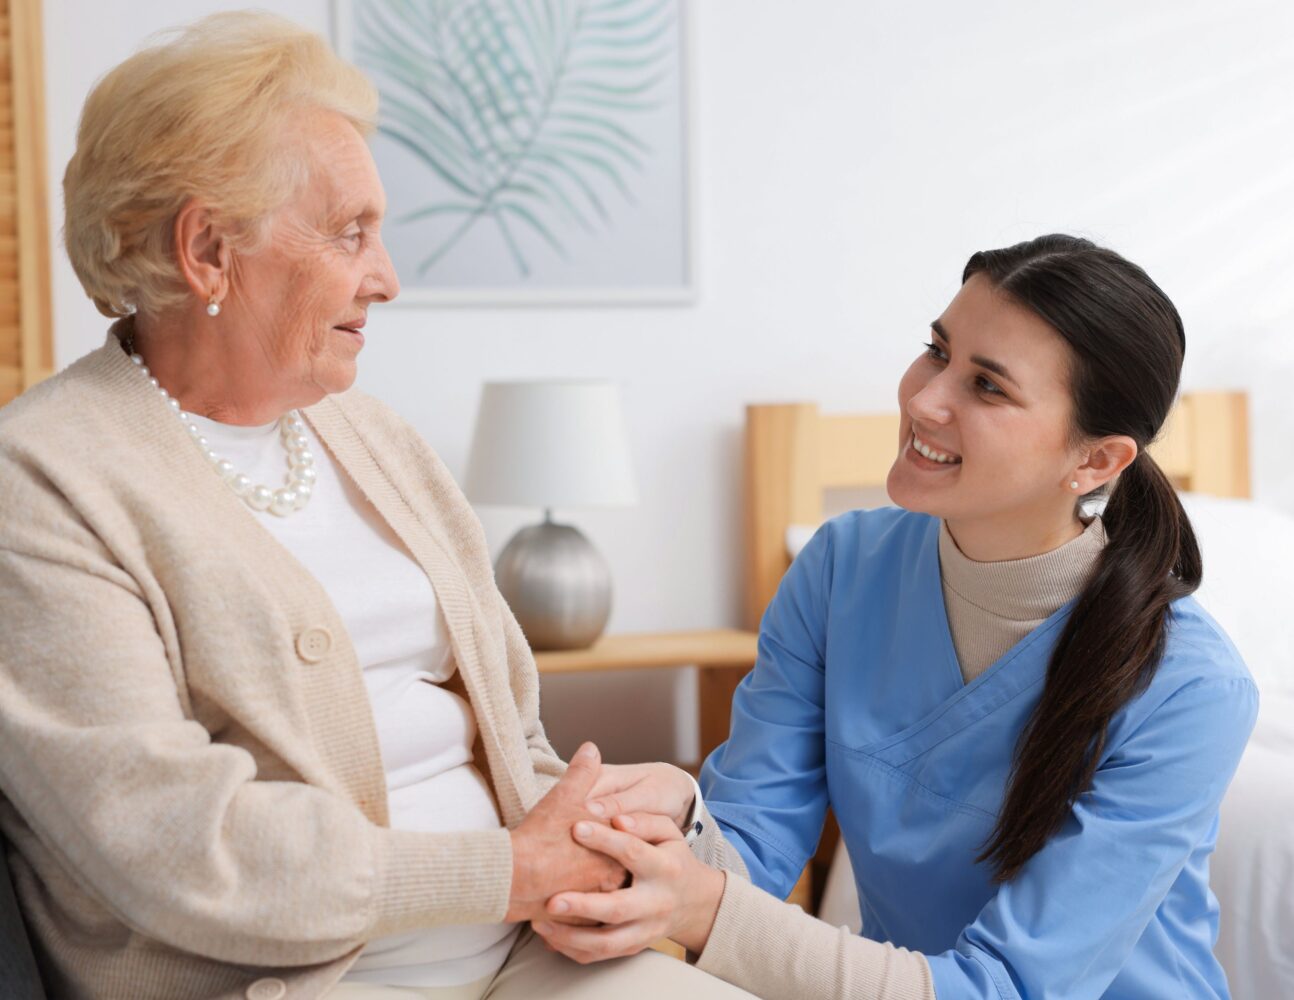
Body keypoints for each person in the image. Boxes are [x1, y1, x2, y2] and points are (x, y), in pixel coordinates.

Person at [0, 12, 754, 1000]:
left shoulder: (375, 439)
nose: (387, 279)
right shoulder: (45, 479)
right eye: (350, 232)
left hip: (528, 947)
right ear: (207, 250)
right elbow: (170, 840)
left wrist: (604, 841)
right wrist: (508, 869)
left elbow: (512, 735)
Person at [535, 235, 1260, 1000]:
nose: (923, 398)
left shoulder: (1192, 692)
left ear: (1096, 462)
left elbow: (1003, 986)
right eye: (937, 351)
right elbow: (754, 836)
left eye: (986, 386)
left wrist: (703, 907)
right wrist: (677, 829)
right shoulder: (841, 569)